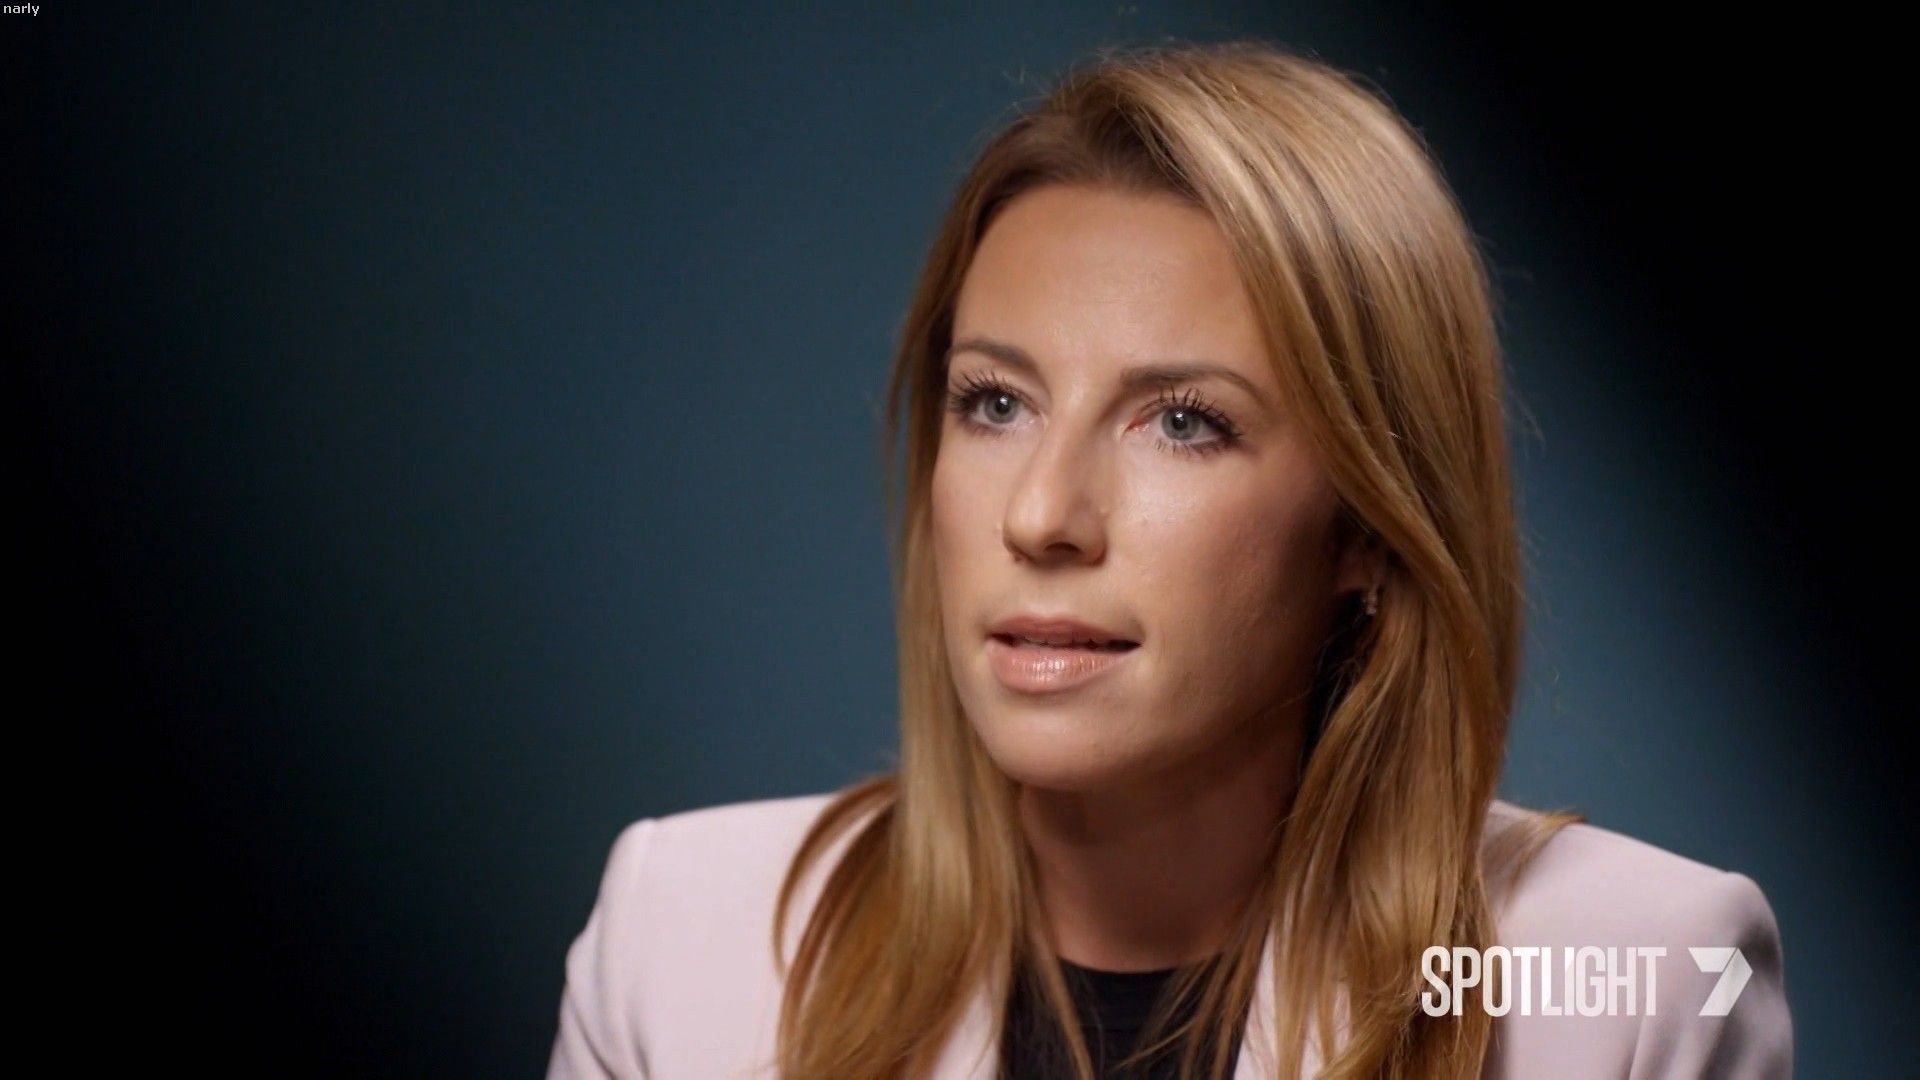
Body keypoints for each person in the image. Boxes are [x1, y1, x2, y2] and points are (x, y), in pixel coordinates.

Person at [544, 40, 1792, 1080]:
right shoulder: (679, 936)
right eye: (994, 403)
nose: (1043, 515)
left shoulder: (1647, 977)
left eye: (1184, 422)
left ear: (1370, 522)